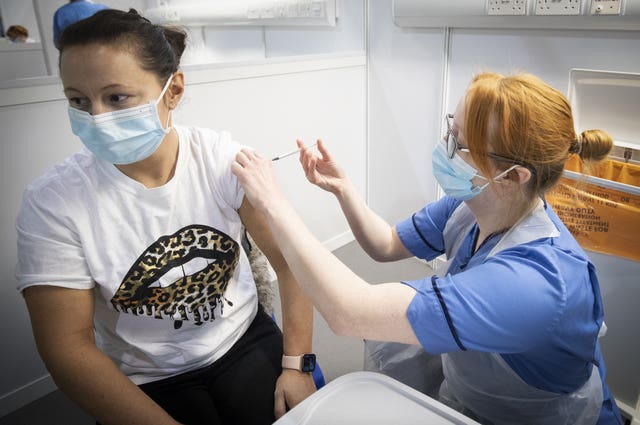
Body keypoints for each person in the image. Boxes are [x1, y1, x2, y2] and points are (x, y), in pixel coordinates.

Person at [232, 72, 624, 424]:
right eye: (450, 131)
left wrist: (273, 204)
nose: (444, 149)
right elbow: (385, 244)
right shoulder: (472, 205)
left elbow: (350, 312)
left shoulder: (536, 285)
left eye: (460, 146)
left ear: (514, 175)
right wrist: (344, 190)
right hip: (475, 386)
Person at [16, 9, 316, 425]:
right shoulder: (53, 203)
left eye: (117, 97)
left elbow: (291, 261)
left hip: (242, 340)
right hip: (147, 376)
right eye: (78, 101)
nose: (97, 118)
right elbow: (68, 347)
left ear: (172, 91)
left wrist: (296, 363)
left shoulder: (220, 161)